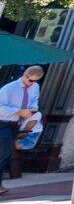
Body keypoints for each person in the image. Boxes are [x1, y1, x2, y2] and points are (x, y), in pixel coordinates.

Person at [0, 66, 44, 194]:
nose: (31, 84)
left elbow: (34, 99)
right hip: (3, 122)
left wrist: (33, 107)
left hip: (16, 124)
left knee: (5, 154)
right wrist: (18, 111)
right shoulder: (9, 88)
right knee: (4, 153)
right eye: (30, 80)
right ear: (24, 75)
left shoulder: (34, 87)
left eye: (35, 81)